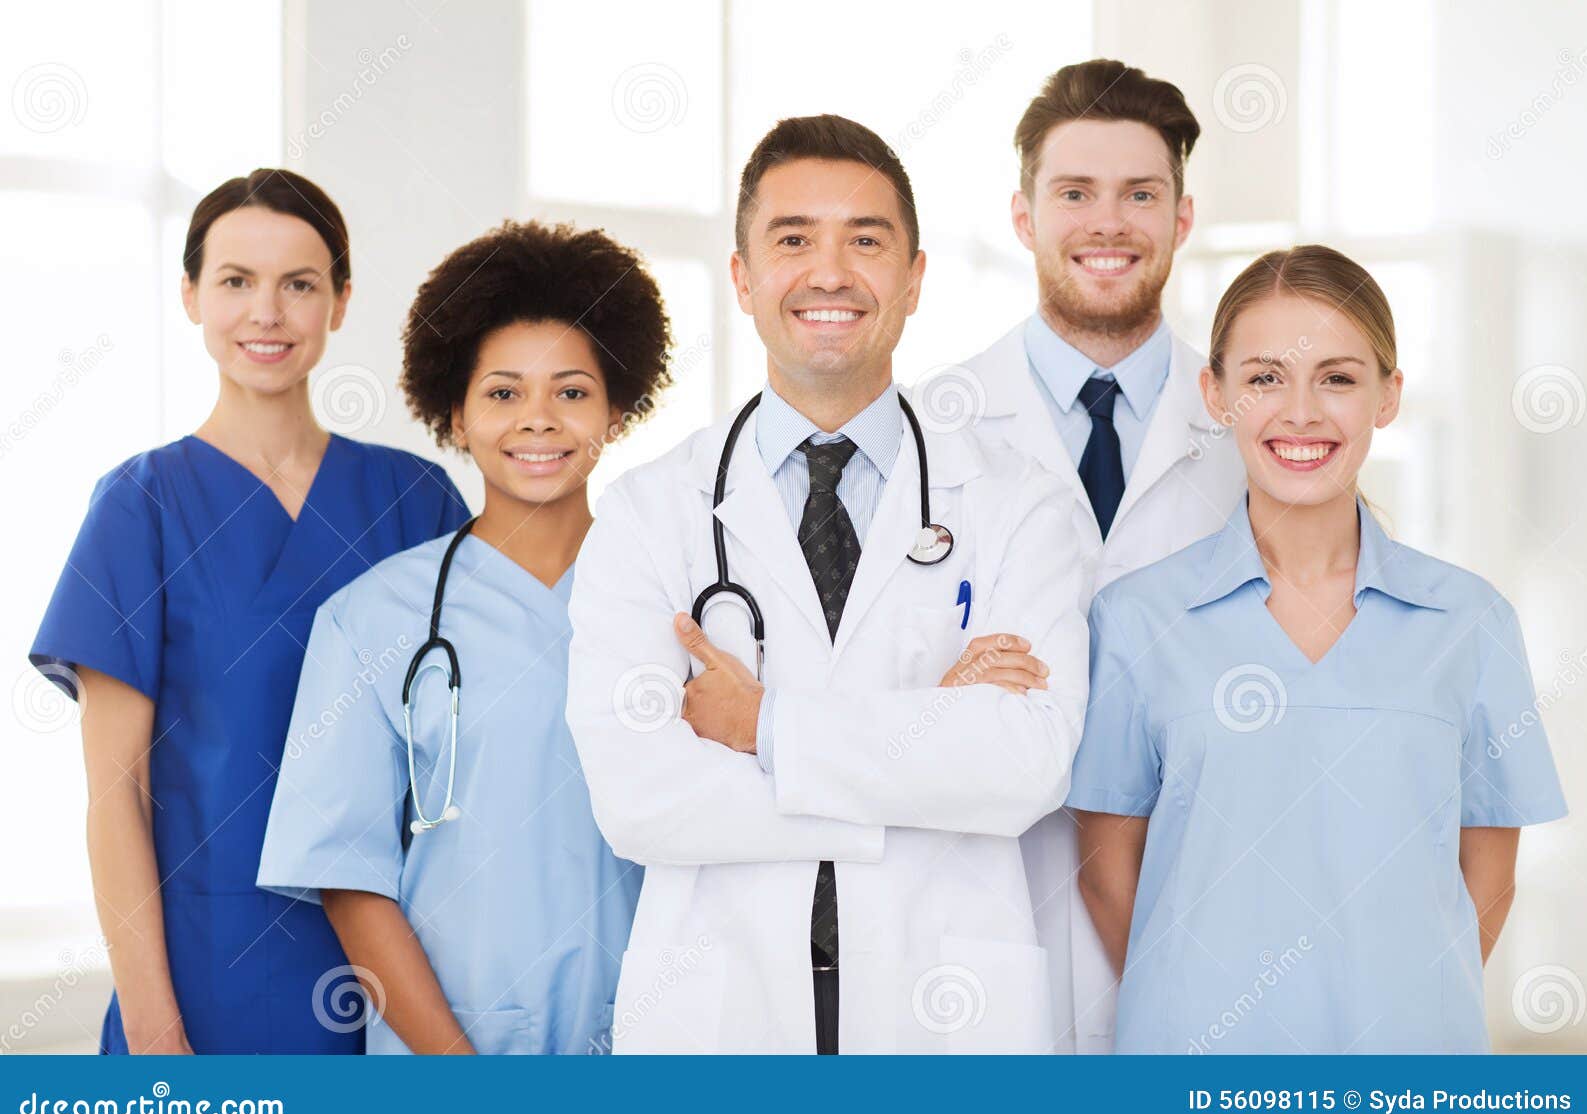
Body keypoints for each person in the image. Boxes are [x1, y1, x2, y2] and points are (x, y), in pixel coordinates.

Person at [566, 115, 1092, 1054]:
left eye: (866, 240)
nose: (830, 272)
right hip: (721, 1010)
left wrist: (765, 725)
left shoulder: (1020, 504)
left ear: (915, 278)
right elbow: (638, 795)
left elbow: (1024, 763)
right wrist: (924, 740)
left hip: (949, 1009)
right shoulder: (650, 512)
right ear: (742, 277)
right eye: (794, 239)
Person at [1066, 245, 1568, 1053]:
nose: (1300, 412)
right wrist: (1204, 1005)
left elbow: (1489, 879)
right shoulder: (1137, 618)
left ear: (1387, 396)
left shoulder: (1471, 622)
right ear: (1217, 394)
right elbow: (1104, 872)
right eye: (1265, 377)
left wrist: (1395, 1001)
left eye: (1336, 377)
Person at [29, 169, 469, 1054]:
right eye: (236, 281)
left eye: (299, 284)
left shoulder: (412, 499)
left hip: (391, 969)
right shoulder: (141, 507)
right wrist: (156, 1032)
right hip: (198, 977)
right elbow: (117, 793)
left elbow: (472, 757)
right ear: (191, 295)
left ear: (341, 302)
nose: (266, 312)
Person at [256, 220, 667, 1054]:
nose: (539, 421)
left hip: (664, 1041)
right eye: (504, 392)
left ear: (618, 411)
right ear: (455, 412)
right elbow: (351, 880)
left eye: (574, 391)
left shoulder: (675, 600)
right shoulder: (373, 619)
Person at [943, 59, 1245, 1053]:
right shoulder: (925, 432)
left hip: (1208, 901)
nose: (1107, 223)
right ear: (1024, 216)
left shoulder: (1261, 430)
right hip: (983, 913)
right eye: (1074, 192)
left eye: (1139, 194)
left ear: (1182, 216)